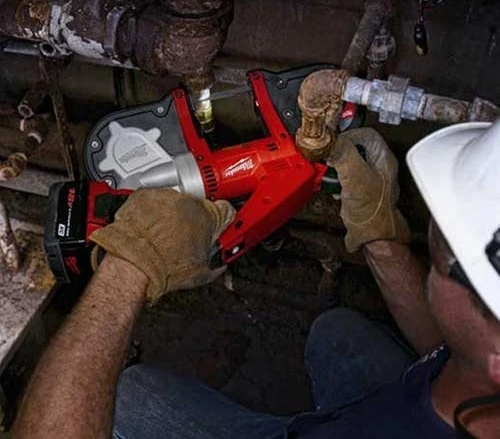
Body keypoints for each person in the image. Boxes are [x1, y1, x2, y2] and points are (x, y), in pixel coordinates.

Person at [11, 121, 500, 439]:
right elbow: (452, 345)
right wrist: (381, 239)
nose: (435, 233)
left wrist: (130, 266)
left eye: (447, 254)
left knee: (134, 398)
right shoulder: (480, 380)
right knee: (338, 335)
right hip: (380, 411)